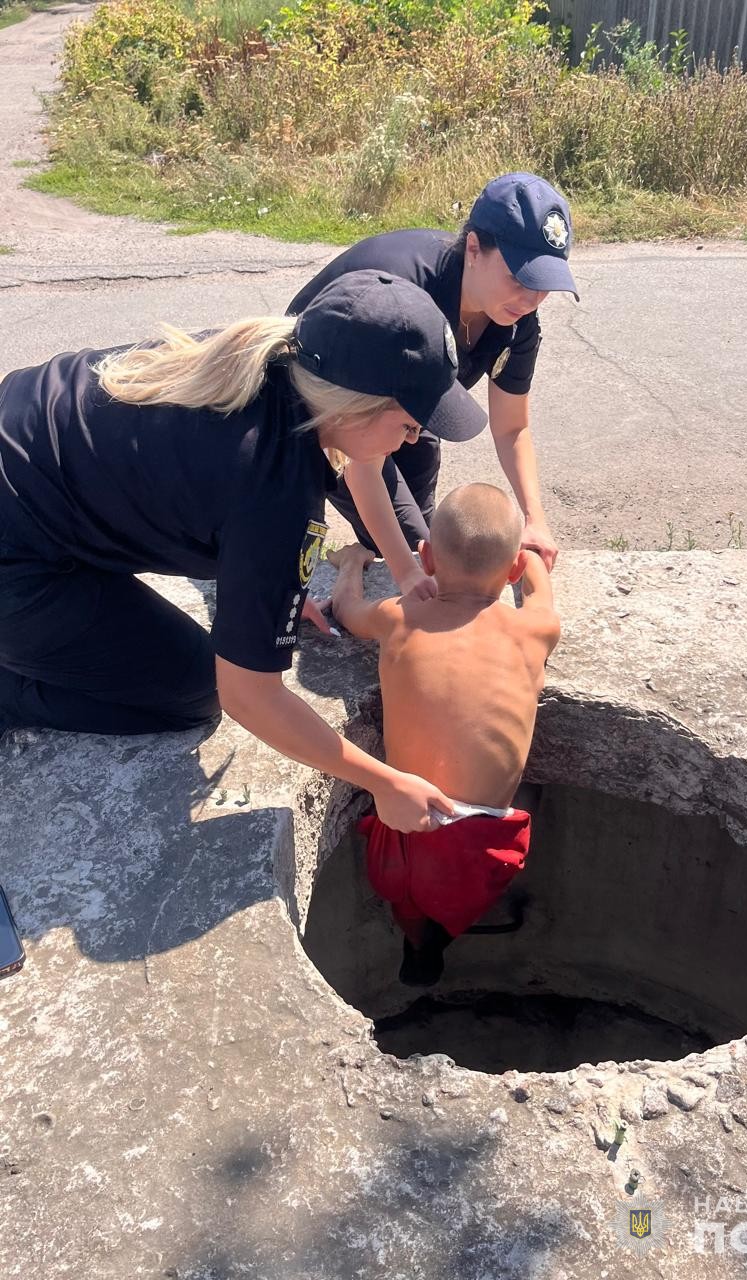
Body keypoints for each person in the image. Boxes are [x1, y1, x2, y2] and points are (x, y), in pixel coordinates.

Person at [0, 271, 489, 833]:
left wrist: (269, 593)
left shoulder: (270, 360)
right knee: (193, 691)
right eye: (407, 425)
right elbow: (248, 697)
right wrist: (383, 781)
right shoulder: (273, 487)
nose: (410, 442)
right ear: (352, 407)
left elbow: (253, 493)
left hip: (25, 448)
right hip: (18, 558)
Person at [288, 172, 578, 630]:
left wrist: (534, 519)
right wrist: (405, 572)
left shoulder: (518, 321)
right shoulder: (407, 299)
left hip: (411, 407)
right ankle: (327, 568)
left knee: (420, 544)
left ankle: (362, 551)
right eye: (520, 278)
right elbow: (361, 458)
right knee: (416, 557)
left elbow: (511, 427)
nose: (531, 298)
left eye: (544, 283)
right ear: (474, 248)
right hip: (331, 404)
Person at [327, 483, 561, 984]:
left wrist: (351, 563)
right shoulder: (533, 631)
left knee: (407, 901)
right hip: (481, 848)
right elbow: (540, 591)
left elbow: (346, 609)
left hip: (401, 828)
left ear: (427, 558)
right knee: (466, 892)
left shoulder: (399, 617)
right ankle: (436, 944)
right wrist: (532, 552)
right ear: (513, 568)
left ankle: (415, 944)